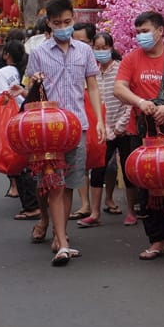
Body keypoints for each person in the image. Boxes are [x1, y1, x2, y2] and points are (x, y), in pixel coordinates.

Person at [24, 0, 105, 266]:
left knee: (70, 182)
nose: (63, 27)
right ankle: (62, 240)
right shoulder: (38, 53)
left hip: (78, 126)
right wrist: (34, 83)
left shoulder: (84, 51)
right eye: (57, 23)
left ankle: (61, 234)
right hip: (49, 130)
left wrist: (99, 120)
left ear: (74, 19)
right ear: (49, 23)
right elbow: (28, 91)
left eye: (67, 22)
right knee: (54, 183)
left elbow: (92, 85)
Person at [113, 11, 164, 259]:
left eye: (145, 31)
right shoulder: (131, 59)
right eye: (138, 32)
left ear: (160, 31)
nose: (141, 36)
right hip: (143, 135)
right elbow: (119, 87)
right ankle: (156, 240)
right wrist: (140, 102)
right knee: (147, 188)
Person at [77, 31, 140, 228]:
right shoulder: (92, 72)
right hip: (102, 128)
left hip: (123, 128)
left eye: (105, 48)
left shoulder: (121, 70)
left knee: (128, 169)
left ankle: (131, 211)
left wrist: (121, 125)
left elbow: (131, 100)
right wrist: (100, 125)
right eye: (97, 48)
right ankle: (94, 212)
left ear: (111, 48)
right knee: (98, 169)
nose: (101, 52)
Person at [0, 40, 41, 221]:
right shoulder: (28, 74)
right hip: (33, 120)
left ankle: (33, 207)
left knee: (26, 165)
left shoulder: (34, 74)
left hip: (30, 121)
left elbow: (32, 98)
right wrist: (22, 91)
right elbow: (30, 96)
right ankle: (33, 206)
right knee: (29, 165)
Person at [68, 22, 97, 221]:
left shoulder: (90, 58)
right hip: (75, 117)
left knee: (98, 163)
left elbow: (95, 89)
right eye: (74, 40)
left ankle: (95, 204)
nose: (77, 45)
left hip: (91, 116)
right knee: (79, 166)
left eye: (83, 41)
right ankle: (85, 204)